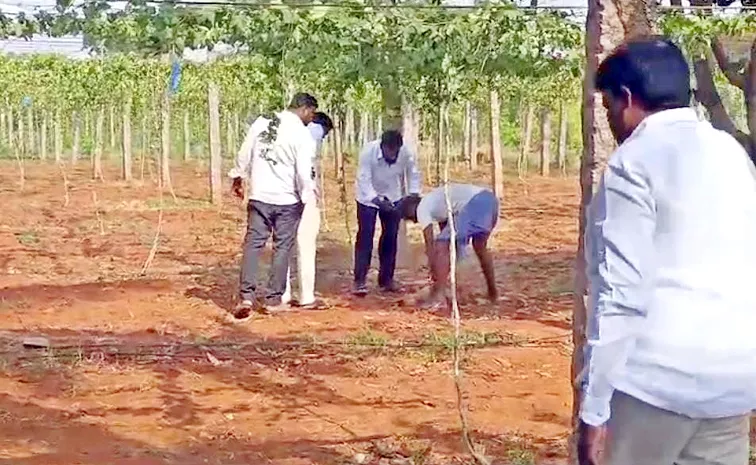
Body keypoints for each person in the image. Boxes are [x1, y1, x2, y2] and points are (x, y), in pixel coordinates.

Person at [577, 37, 756, 465]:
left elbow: (621, 294)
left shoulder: (633, 163)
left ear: (625, 99)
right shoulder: (729, 151)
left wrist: (594, 407)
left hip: (653, 388)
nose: (611, 119)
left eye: (608, 107)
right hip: (731, 385)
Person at [228, 93, 319, 319]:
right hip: (287, 200)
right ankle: (273, 300)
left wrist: (238, 176)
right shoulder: (302, 134)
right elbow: (302, 173)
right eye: (312, 113)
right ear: (305, 109)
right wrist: (306, 197)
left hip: (259, 196)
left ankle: (246, 296)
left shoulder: (263, 121)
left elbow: (244, 152)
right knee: (282, 247)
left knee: (253, 245)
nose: (311, 119)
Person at [400, 183, 498, 308]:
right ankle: (493, 292)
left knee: (440, 244)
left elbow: (431, 246)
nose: (414, 221)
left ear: (411, 208)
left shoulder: (422, 207)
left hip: (475, 203)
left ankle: (438, 297)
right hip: (490, 201)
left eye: (410, 217)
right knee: (480, 246)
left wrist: (433, 269)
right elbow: (451, 240)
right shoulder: (439, 204)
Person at [353, 130, 421, 296]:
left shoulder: (406, 153)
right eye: (389, 151)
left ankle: (386, 280)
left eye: (395, 151)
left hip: (394, 195)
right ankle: (360, 280)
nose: (393, 155)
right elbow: (364, 179)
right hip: (368, 198)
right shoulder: (368, 152)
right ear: (382, 146)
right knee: (365, 237)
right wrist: (376, 200)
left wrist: (412, 195)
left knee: (390, 238)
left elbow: (413, 174)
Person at [282, 111, 334, 309]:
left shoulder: (285, 133)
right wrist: (310, 190)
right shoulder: (315, 131)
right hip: (302, 196)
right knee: (305, 245)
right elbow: (306, 169)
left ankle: (283, 294)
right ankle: (306, 297)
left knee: (283, 246)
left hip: (281, 195)